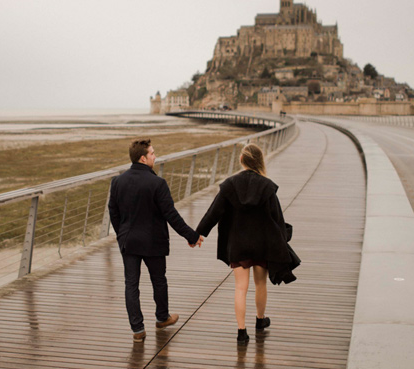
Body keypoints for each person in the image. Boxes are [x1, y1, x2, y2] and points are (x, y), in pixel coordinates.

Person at [196, 142, 299, 344]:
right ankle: (260, 321)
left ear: (242, 161)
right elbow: (277, 219)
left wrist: (198, 234)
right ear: (259, 161)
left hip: (238, 245)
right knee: (260, 284)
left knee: (240, 288)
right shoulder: (267, 187)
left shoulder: (229, 185)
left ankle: (241, 332)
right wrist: (283, 241)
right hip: (262, 244)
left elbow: (213, 213)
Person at [108, 139, 202, 342]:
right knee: (158, 280)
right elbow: (171, 214)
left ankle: (137, 330)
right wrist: (191, 236)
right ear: (143, 158)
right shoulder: (157, 183)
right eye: (152, 153)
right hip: (153, 241)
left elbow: (113, 212)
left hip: (129, 242)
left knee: (131, 285)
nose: (155, 156)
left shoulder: (118, 181)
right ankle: (162, 318)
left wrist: (121, 234)